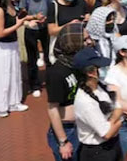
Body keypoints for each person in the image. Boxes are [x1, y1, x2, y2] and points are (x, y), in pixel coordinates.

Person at [46, 23, 93, 161]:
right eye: (84, 39)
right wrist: (63, 141)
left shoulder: (83, 64)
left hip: (84, 125)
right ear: (73, 43)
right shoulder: (57, 72)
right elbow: (52, 109)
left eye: (88, 38)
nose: (90, 42)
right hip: (68, 130)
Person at [73, 47, 124, 161]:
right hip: (97, 153)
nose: (105, 69)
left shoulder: (102, 87)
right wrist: (119, 121)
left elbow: (118, 107)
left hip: (113, 146)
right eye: (100, 67)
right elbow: (106, 133)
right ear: (90, 73)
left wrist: (115, 116)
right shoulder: (85, 102)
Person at [20, 0, 53, 98]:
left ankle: (50, 81)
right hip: (31, 30)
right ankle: (34, 84)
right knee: (32, 58)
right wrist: (30, 21)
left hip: (44, 30)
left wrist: (46, 19)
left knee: (48, 56)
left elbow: (52, 12)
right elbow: (22, 16)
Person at [48, 0, 90, 64]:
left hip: (81, 47)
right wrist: (69, 26)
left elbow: (87, 16)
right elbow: (51, 31)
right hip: (63, 49)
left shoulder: (81, 2)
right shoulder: (54, 6)